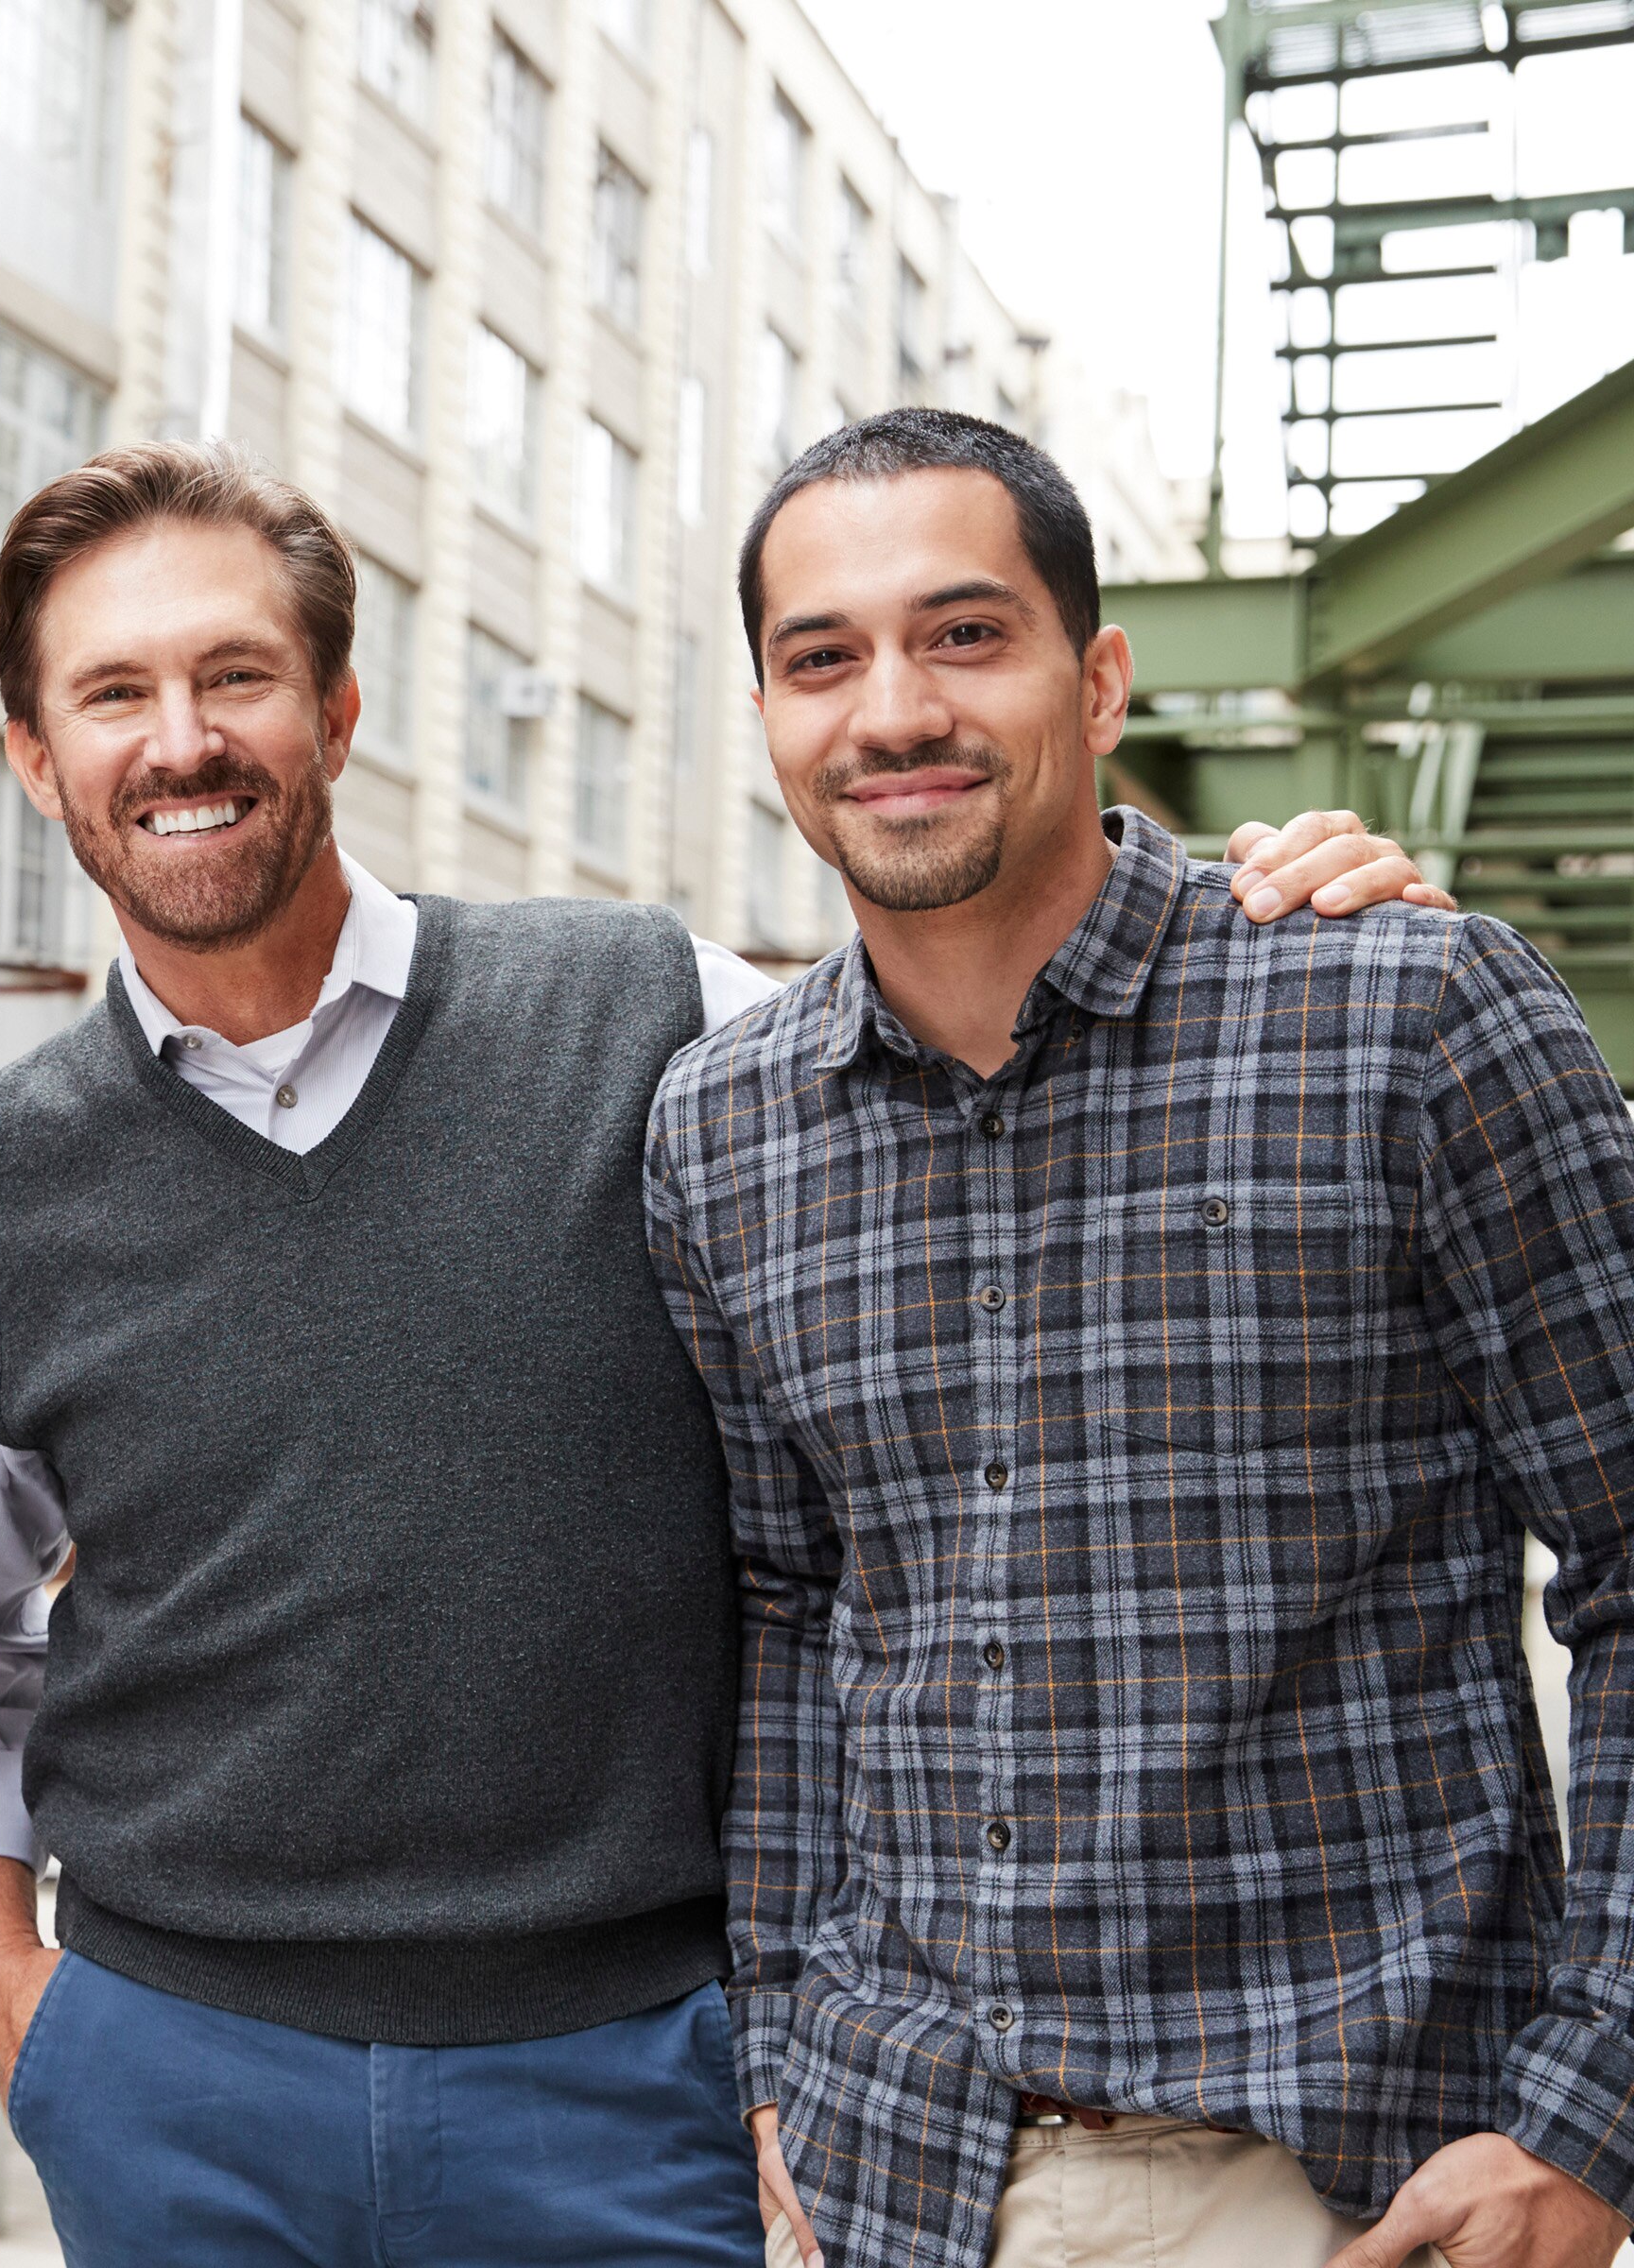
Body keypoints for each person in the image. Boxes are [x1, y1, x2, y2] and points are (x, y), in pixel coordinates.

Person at [0, 438, 1443, 2268]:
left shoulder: (653, 1016)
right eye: (115, 693)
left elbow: (977, 1071)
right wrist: (14, 1995)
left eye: (236, 676)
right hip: (175, 2083)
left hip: (634, 2083)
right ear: (36, 758)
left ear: (339, 709)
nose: (184, 739)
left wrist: (1269, 936)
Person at [646, 407, 1634, 2268]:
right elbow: (789, 1616)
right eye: (821, 659)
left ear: (1097, 683)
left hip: (1350, 2176)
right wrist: (778, 2041)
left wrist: (1595, 2111)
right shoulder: (719, 1132)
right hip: (902, 2173)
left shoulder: (1410, 1015)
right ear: (772, 717)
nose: (893, 710)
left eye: (964, 634)